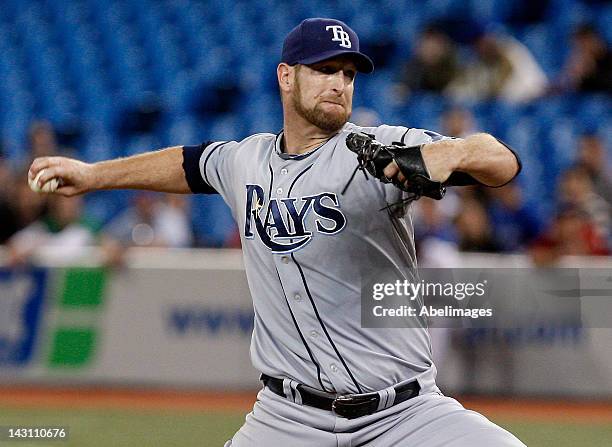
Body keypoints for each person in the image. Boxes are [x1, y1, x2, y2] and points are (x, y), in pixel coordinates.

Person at [28, 18, 524, 447]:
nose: (340, 83)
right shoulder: (246, 160)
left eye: (349, 74)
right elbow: (185, 164)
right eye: (325, 69)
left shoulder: (377, 148)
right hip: (288, 419)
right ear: (286, 77)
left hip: (405, 414)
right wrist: (93, 176)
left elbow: (502, 162)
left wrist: (451, 153)